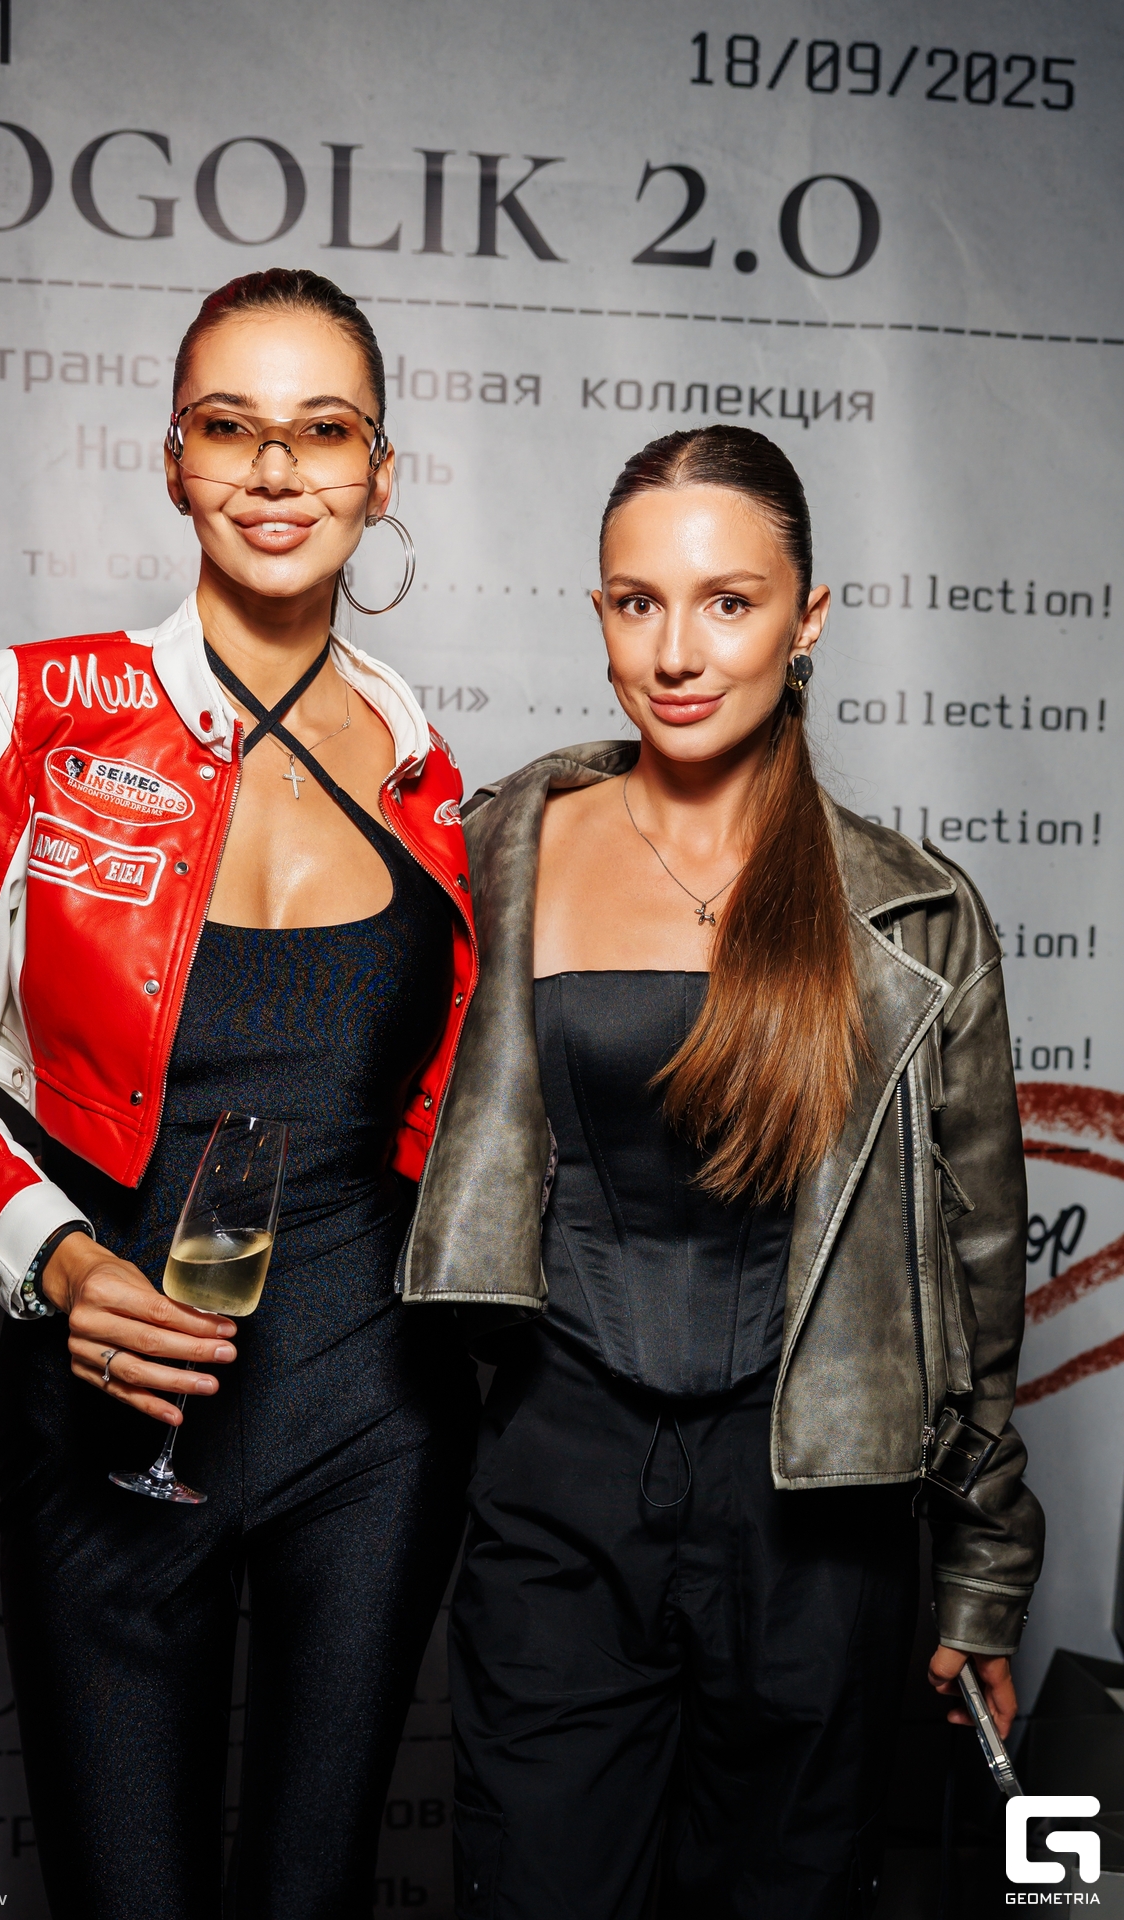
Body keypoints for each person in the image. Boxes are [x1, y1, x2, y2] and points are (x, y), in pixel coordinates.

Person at [0, 268, 479, 1920]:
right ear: (175, 460)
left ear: (380, 476)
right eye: (230, 427)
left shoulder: (424, 762)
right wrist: (62, 1270)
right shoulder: (37, 711)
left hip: (376, 1410)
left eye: (322, 431)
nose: (276, 471)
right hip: (110, 1397)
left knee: (315, 1892)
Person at [394, 426, 1043, 1917]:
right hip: (553, 1494)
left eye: (729, 603)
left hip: (818, 1520)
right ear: (600, 612)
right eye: (638, 603)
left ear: (809, 618)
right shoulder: (492, 856)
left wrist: (983, 1575)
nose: (677, 651)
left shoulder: (917, 915)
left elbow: (980, 1277)